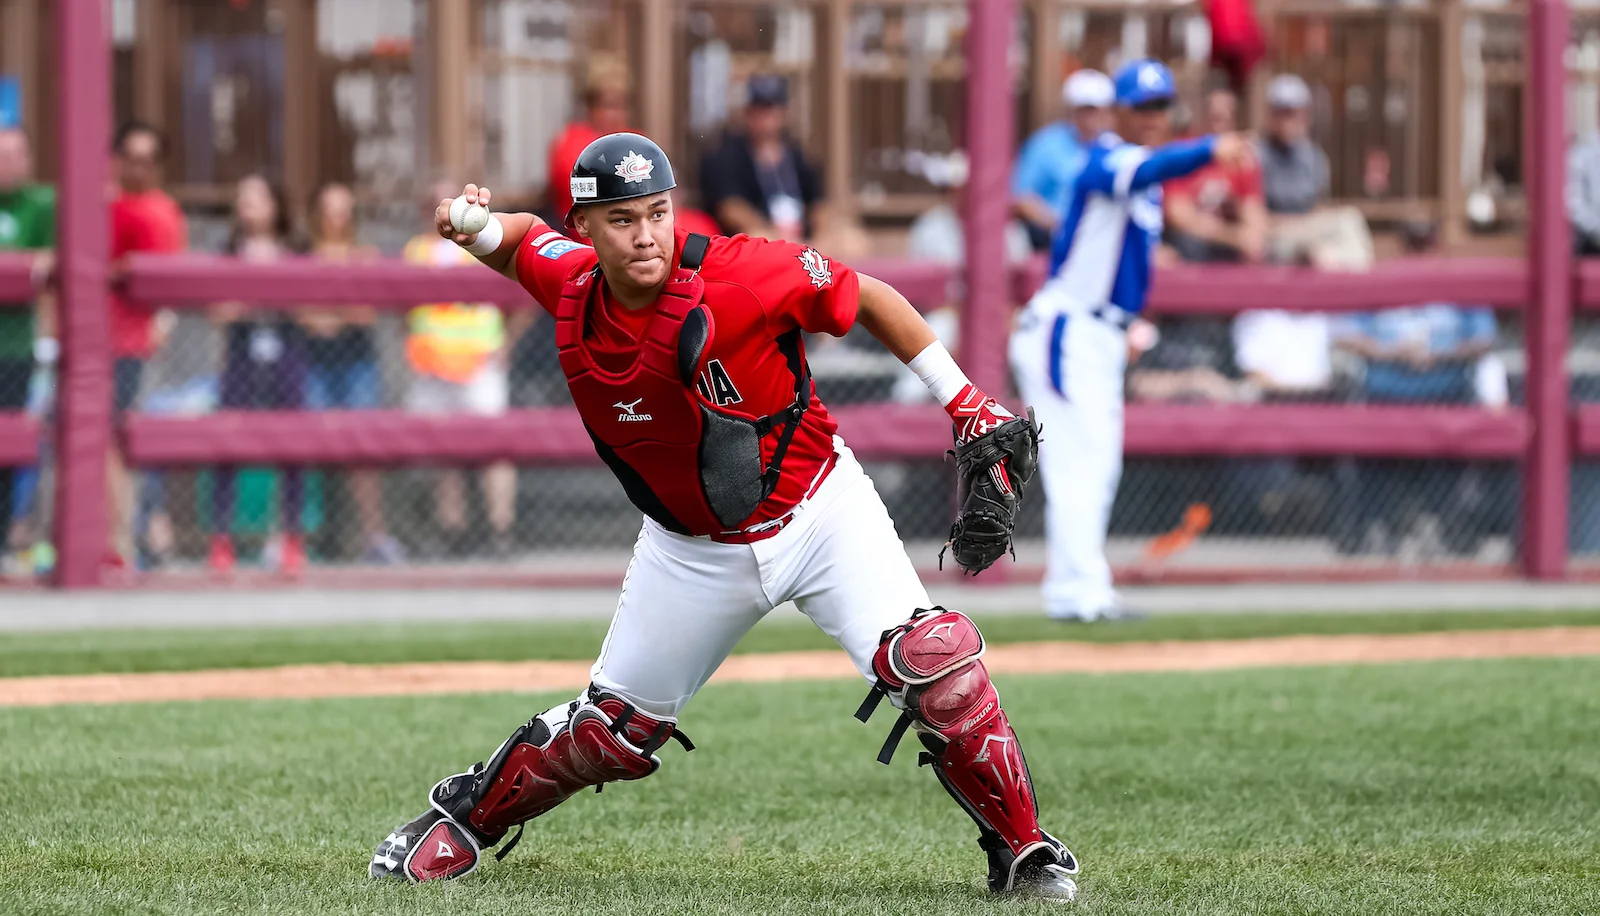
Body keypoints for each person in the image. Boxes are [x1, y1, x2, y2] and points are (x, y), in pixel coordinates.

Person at [369, 133, 1078, 901]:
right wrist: (473, 226)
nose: (645, 234)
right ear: (585, 227)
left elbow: (868, 295)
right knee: (610, 732)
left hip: (820, 510)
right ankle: (465, 817)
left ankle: (1025, 849)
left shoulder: (745, 273)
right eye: (621, 219)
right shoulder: (572, 281)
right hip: (691, 549)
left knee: (937, 668)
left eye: (657, 213)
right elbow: (519, 242)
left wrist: (965, 401)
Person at [1008, 59, 1253, 622]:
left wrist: (1129, 323)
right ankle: (1078, 594)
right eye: (1140, 106)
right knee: (1079, 465)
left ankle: (1081, 589)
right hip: (1067, 328)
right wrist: (1210, 148)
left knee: (1098, 465)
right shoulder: (1107, 158)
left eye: (1160, 105)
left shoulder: (1143, 178)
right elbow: (1153, 166)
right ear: (1117, 111)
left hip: (1100, 332)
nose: (1151, 116)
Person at [1331, 222, 1500, 556]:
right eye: (1414, 245)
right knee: (1369, 456)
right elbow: (1344, 334)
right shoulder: (1381, 281)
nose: (1420, 253)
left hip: (1446, 394)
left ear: (1437, 247)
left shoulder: (1459, 285)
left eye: (1426, 245)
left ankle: (1448, 528)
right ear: (1402, 247)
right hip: (1385, 396)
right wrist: (1391, 352)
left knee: (1455, 459)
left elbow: (1484, 339)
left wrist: (1440, 355)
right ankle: (1376, 527)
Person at [402, 181, 516, 559]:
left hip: (480, 362)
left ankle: (500, 533)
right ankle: (453, 532)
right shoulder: (416, 251)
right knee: (443, 455)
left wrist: (507, 343)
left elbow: (521, 294)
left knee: (495, 451)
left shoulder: (484, 244)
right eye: (436, 203)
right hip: (433, 365)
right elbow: (402, 304)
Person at [208, 174, 308, 576]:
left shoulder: (296, 249)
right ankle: (221, 541)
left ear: (276, 204)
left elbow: (307, 306)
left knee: (293, 443)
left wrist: (261, 295)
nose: (247, 203)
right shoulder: (228, 249)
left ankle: (291, 539)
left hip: (287, 350)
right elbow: (218, 311)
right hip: (241, 354)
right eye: (242, 196)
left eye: (258, 196)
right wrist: (255, 296)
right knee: (228, 440)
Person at [299, 181, 404, 565]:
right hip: (314, 361)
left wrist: (330, 314)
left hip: (357, 361)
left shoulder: (366, 255)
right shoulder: (305, 259)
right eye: (328, 208)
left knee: (364, 450)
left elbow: (366, 313)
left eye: (343, 209)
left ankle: (374, 536)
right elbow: (303, 315)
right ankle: (300, 537)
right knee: (306, 445)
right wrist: (335, 312)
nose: (335, 216)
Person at [109, 121, 187, 569]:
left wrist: (161, 325)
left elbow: (171, 280)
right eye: (131, 157)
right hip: (93, 346)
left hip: (136, 347)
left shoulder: (161, 212)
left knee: (131, 439)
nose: (138, 167)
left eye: (147, 160)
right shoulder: (102, 204)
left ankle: (145, 536)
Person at [0, 126, 53, 572]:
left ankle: (3, 541)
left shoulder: (42, 204)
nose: (5, 164)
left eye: (13, 155)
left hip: (15, 348)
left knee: (10, 446)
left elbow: (50, 261)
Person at [1257, 74, 1372, 270]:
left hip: (1307, 231)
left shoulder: (1314, 158)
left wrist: (1309, 225)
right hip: (1272, 238)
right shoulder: (1256, 155)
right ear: (1271, 114)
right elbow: (1254, 218)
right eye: (1283, 112)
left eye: (1295, 112)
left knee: (1350, 219)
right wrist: (1295, 224)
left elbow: (1317, 208)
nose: (1289, 120)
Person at [698, 74, 824, 241]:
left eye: (771, 111)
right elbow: (730, 208)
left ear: (784, 114)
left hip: (801, 238)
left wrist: (820, 233)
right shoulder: (727, 155)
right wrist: (769, 233)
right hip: (755, 241)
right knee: (758, 236)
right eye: (759, 112)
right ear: (747, 114)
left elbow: (819, 203)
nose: (766, 121)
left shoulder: (798, 156)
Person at [1010, 69, 1115, 251]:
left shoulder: (1114, 146)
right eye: (1086, 109)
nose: (1092, 117)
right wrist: (1061, 227)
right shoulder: (1045, 144)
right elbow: (1021, 197)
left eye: (1098, 110)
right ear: (1072, 110)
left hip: (1104, 242)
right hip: (1052, 242)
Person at [1163, 84, 1267, 263]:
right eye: (1215, 117)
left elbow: (1253, 210)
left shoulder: (1243, 157)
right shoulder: (1183, 151)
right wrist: (1232, 236)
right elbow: (1178, 215)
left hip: (1227, 244)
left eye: (1226, 118)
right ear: (1202, 115)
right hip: (1191, 245)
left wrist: (1252, 235)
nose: (1219, 126)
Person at [546, 64, 631, 227]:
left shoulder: (635, 138)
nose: (615, 114)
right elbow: (573, 188)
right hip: (582, 229)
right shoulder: (571, 141)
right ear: (590, 108)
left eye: (621, 106)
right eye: (608, 106)